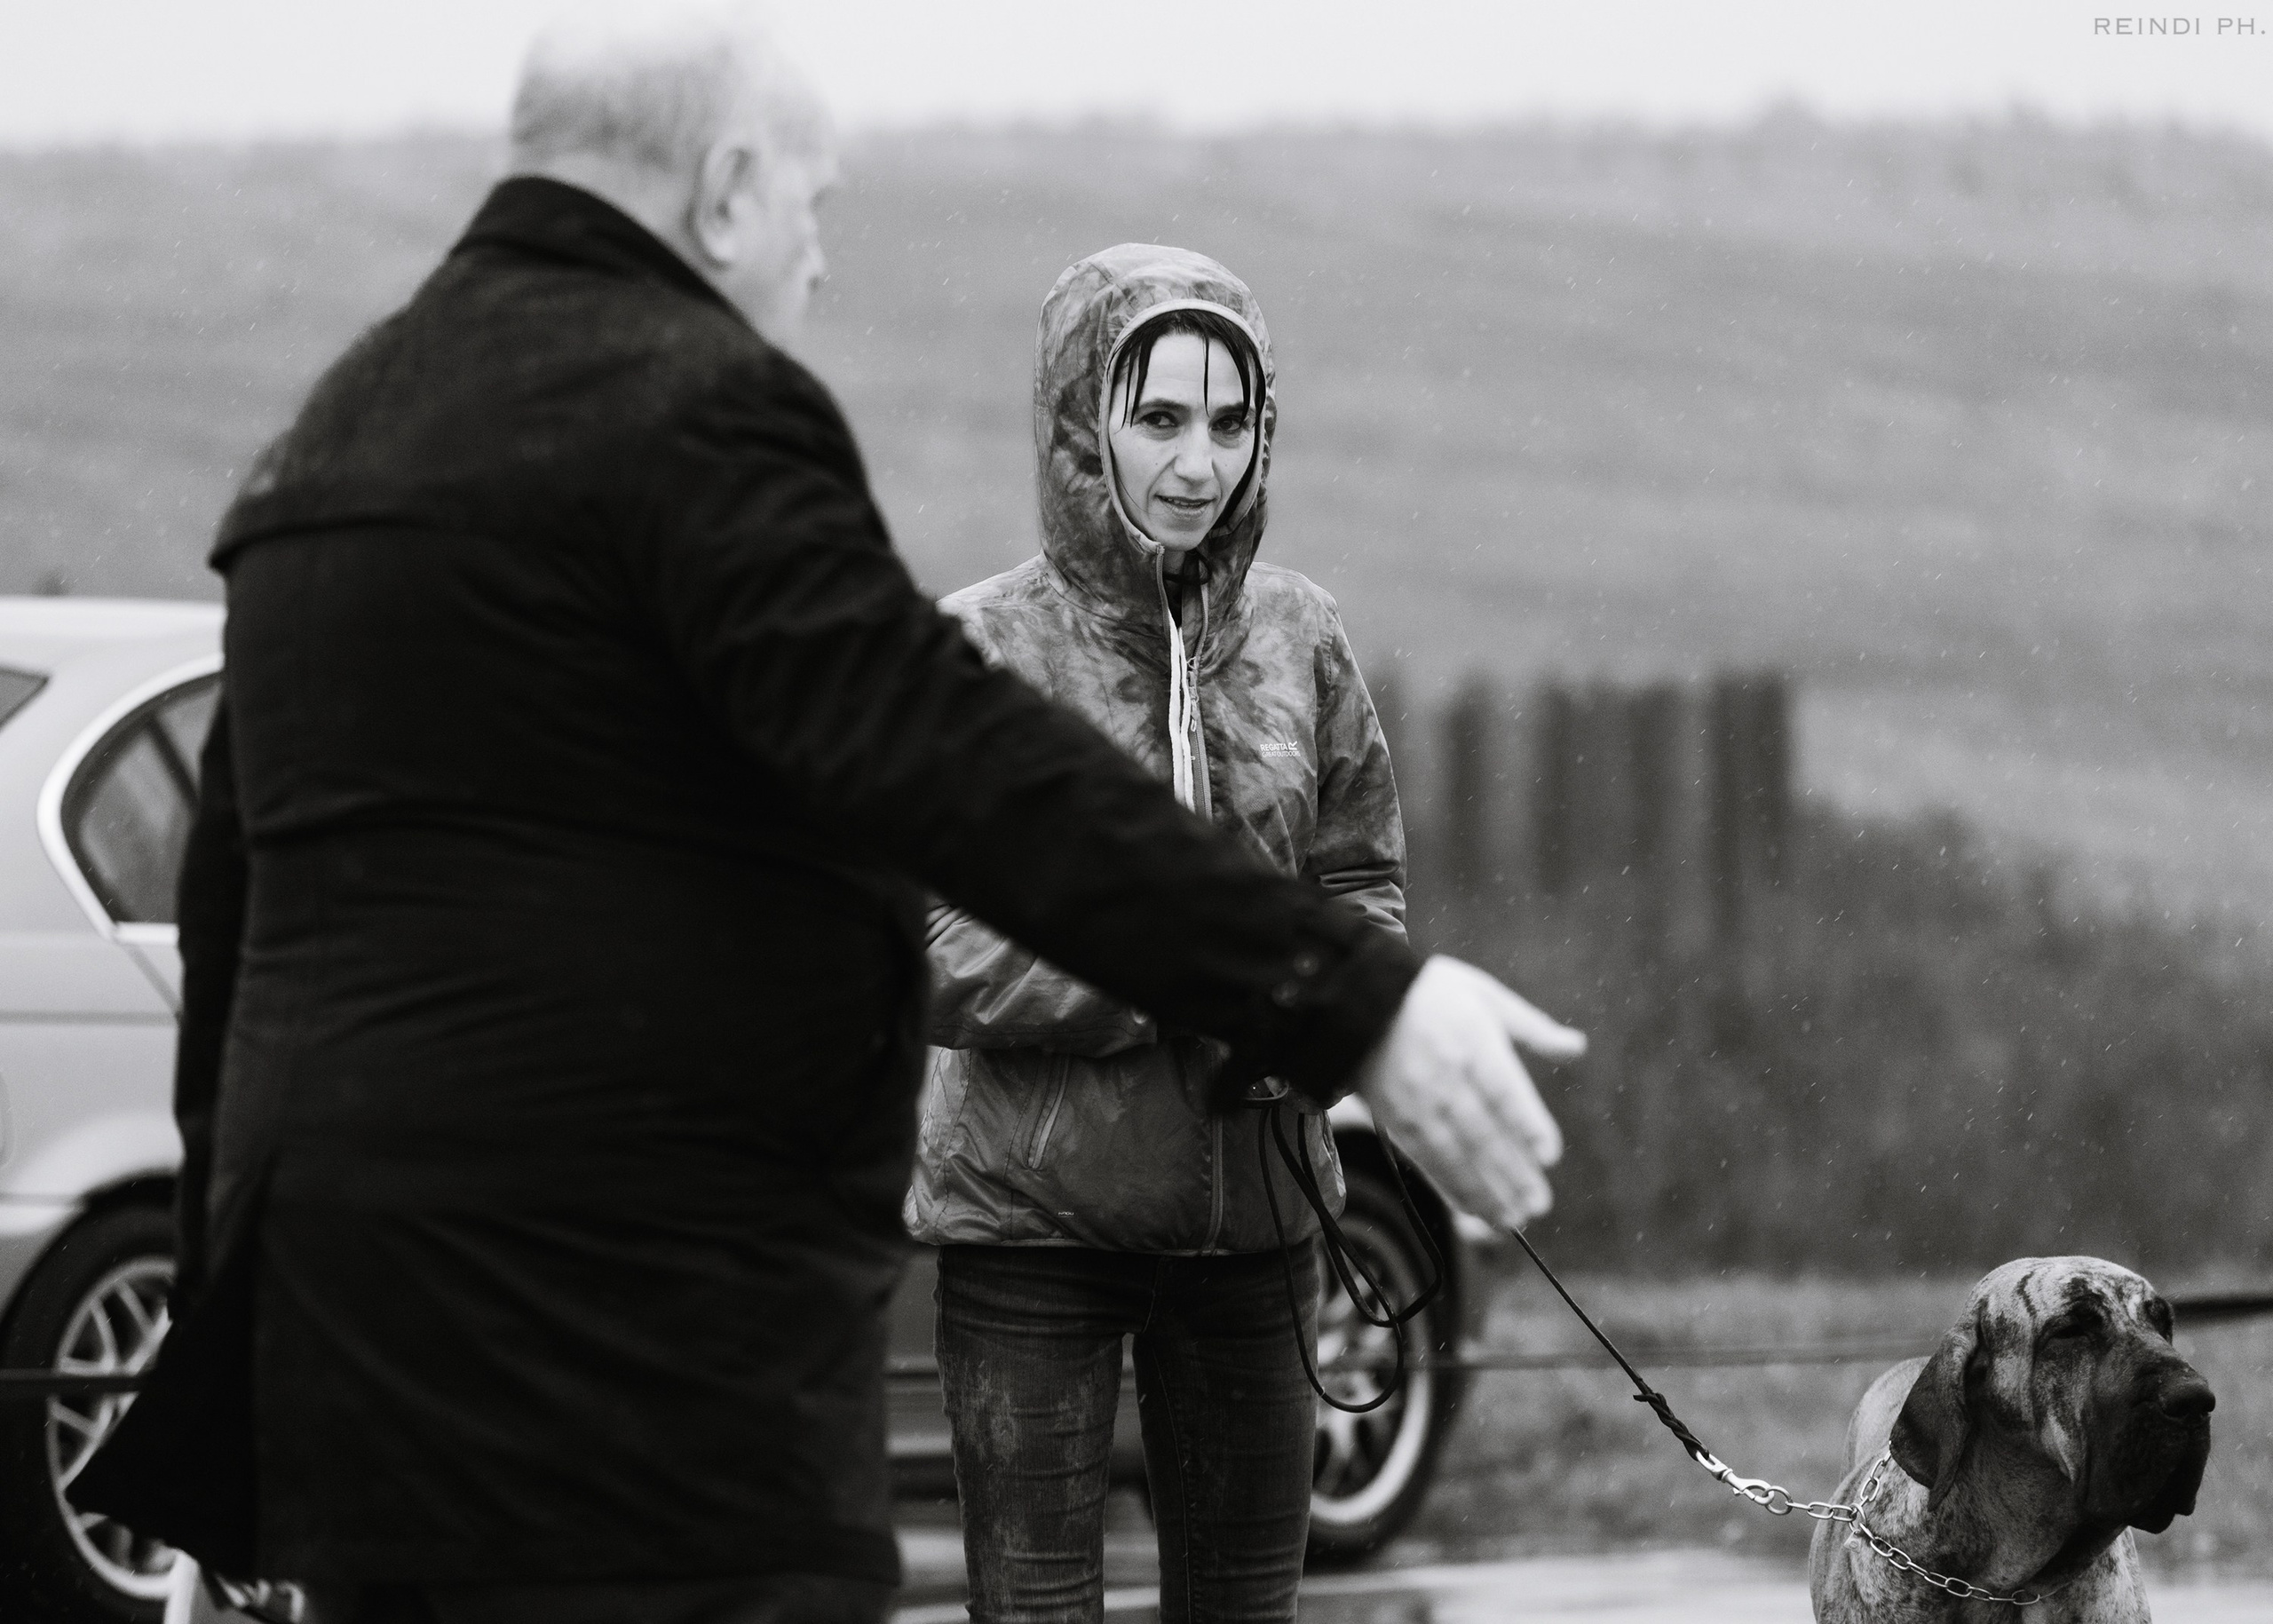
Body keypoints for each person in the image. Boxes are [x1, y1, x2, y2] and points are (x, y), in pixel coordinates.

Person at [74, 7, 1580, 1624]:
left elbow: (241, 950)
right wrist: (1350, 999)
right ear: (726, 190)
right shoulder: (695, 418)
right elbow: (961, 769)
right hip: (638, 1385)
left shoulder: (324, 442)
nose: (819, 261)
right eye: (814, 205)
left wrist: (231, 1396)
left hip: (354, 1379)